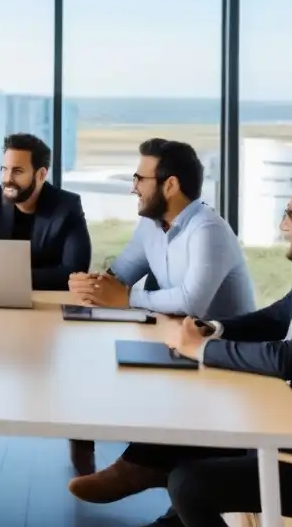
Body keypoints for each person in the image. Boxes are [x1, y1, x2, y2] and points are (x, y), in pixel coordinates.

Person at [71, 164, 292, 527]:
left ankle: (144, 477)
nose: (284, 225)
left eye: (291, 214)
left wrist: (201, 350)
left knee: (191, 483)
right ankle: (141, 475)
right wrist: (211, 329)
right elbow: (279, 317)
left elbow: (288, 358)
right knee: (200, 421)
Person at [65, 138, 255, 478]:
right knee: (94, 355)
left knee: (123, 367)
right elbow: (120, 274)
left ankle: (140, 468)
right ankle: (137, 464)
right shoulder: (152, 226)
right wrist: (91, 284)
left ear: (170, 185)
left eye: (140, 179)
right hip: (182, 347)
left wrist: (126, 298)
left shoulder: (207, 230)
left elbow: (190, 302)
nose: (133, 188)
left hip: (224, 358)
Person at [0, 133, 92, 292]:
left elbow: (75, 273)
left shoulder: (67, 207)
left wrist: (4, 277)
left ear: (41, 175)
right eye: (4, 169)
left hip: (43, 304)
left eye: (17, 171)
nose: (7, 179)